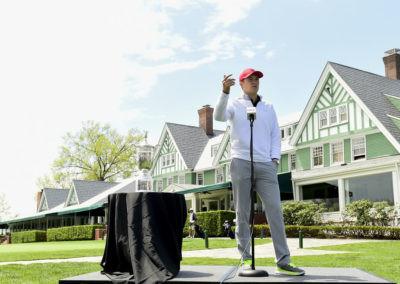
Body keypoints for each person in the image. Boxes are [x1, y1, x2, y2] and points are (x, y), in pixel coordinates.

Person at [214, 68, 305, 276]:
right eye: (250, 79)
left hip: (266, 165)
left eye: (257, 79)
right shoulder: (234, 104)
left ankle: (283, 262)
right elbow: (219, 116)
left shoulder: (268, 107)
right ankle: (246, 260)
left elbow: (275, 134)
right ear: (242, 83)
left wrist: (275, 159)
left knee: (275, 212)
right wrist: (224, 92)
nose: (254, 82)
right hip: (241, 162)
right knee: (242, 213)